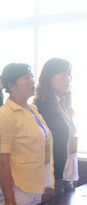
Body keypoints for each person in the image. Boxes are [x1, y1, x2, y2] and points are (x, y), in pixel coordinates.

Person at [0, 63, 54, 205]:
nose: (32, 81)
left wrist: (46, 184)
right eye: (26, 78)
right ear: (12, 85)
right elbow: (2, 159)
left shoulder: (33, 109)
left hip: (36, 185)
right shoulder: (5, 115)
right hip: (18, 189)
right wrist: (10, 200)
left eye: (32, 76)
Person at [34, 58, 77, 196]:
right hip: (53, 178)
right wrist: (49, 182)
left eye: (69, 75)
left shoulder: (64, 104)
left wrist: (73, 175)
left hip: (68, 175)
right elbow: (44, 145)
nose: (67, 79)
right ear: (49, 78)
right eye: (62, 75)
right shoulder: (41, 107)